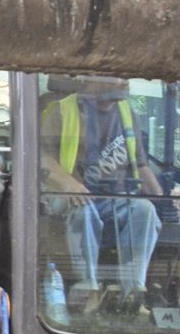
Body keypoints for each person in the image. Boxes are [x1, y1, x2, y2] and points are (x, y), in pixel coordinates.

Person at [39, 77, 163, 312]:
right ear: (90, 78)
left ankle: (134, 291)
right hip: (66, 197)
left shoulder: (127, 114)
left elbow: (141, 164)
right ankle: (89, 287)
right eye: (115, 76)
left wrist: (162, 197)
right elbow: (43, 159)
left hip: (114, 199)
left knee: (145, 210)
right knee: (84, 209)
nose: (123, 81)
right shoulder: (59, 111)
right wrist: (68, 184)